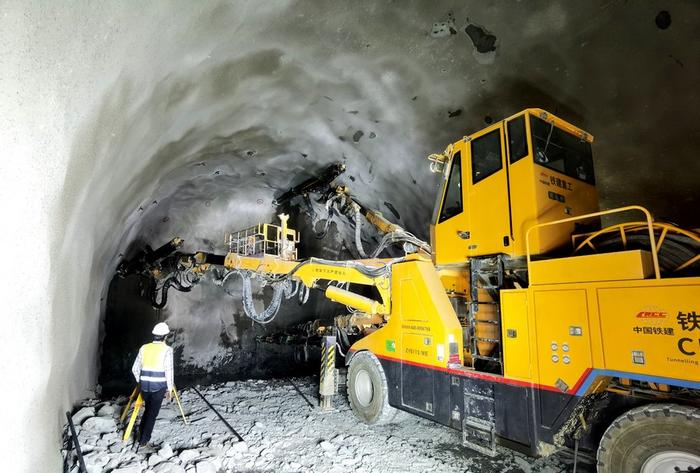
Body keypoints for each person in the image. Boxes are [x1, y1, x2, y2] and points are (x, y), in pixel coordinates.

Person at [131, 322, 174, 447]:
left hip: (145, 386)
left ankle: (141, 434)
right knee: (152, 414)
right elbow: (169, 371)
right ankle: (144, 441)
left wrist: (142, 381)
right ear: (165, 336)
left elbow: (135, 369)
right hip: (158, 387)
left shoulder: (144, 348)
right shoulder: (167, 350)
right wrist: (170, 389)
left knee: (148, 410)